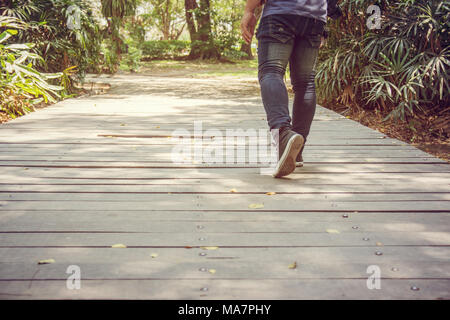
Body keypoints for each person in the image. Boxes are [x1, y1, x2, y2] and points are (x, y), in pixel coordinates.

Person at [241, 0, 341, 178]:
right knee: (305, 83)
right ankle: (296, 149)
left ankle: (283, 135)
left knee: (271, 72)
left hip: (280, 13)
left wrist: (249, 10)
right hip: (314, 18)